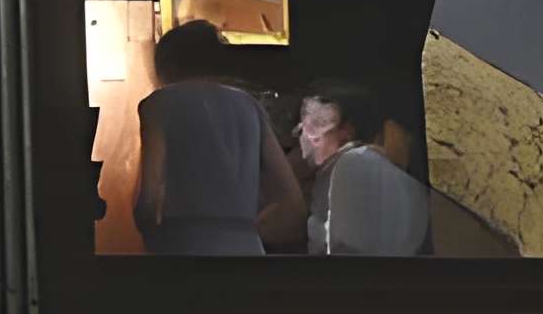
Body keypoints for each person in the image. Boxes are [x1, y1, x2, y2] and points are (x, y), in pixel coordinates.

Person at [134, 20, 306, 256]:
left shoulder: (158, 104)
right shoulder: (249, 105)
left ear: (165, 64)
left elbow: (148, 199)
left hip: (183, 247)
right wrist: (243, 231)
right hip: (247, 251)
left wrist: (151, 235)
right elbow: (293, 203)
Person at [295, 80, 430, 256]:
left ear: (346, 130)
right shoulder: (351, 169)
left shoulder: (356, 165)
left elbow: (342, 249)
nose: (305, 137)